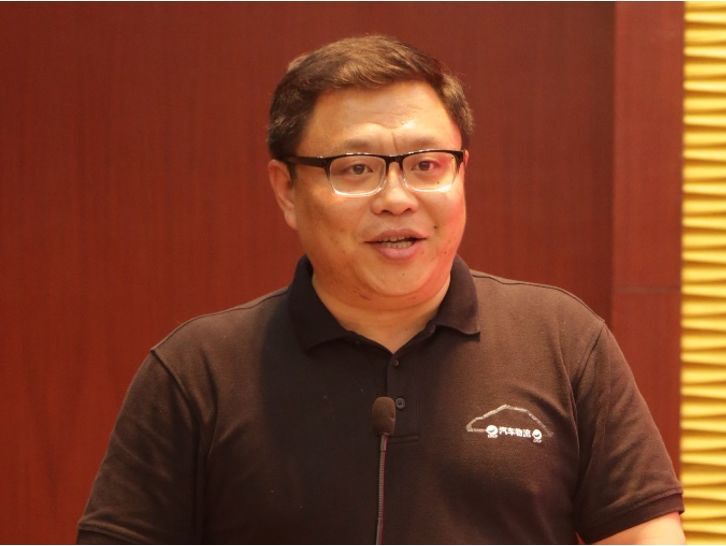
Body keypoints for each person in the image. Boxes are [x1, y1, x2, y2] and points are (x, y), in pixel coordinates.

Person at [77, 35, 685, 544]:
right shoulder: (197, 371)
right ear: (287, 190)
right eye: (356, 169)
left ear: (462, 172)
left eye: (426, 165)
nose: (397, 198)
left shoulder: (561, 341)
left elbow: (643, 536)